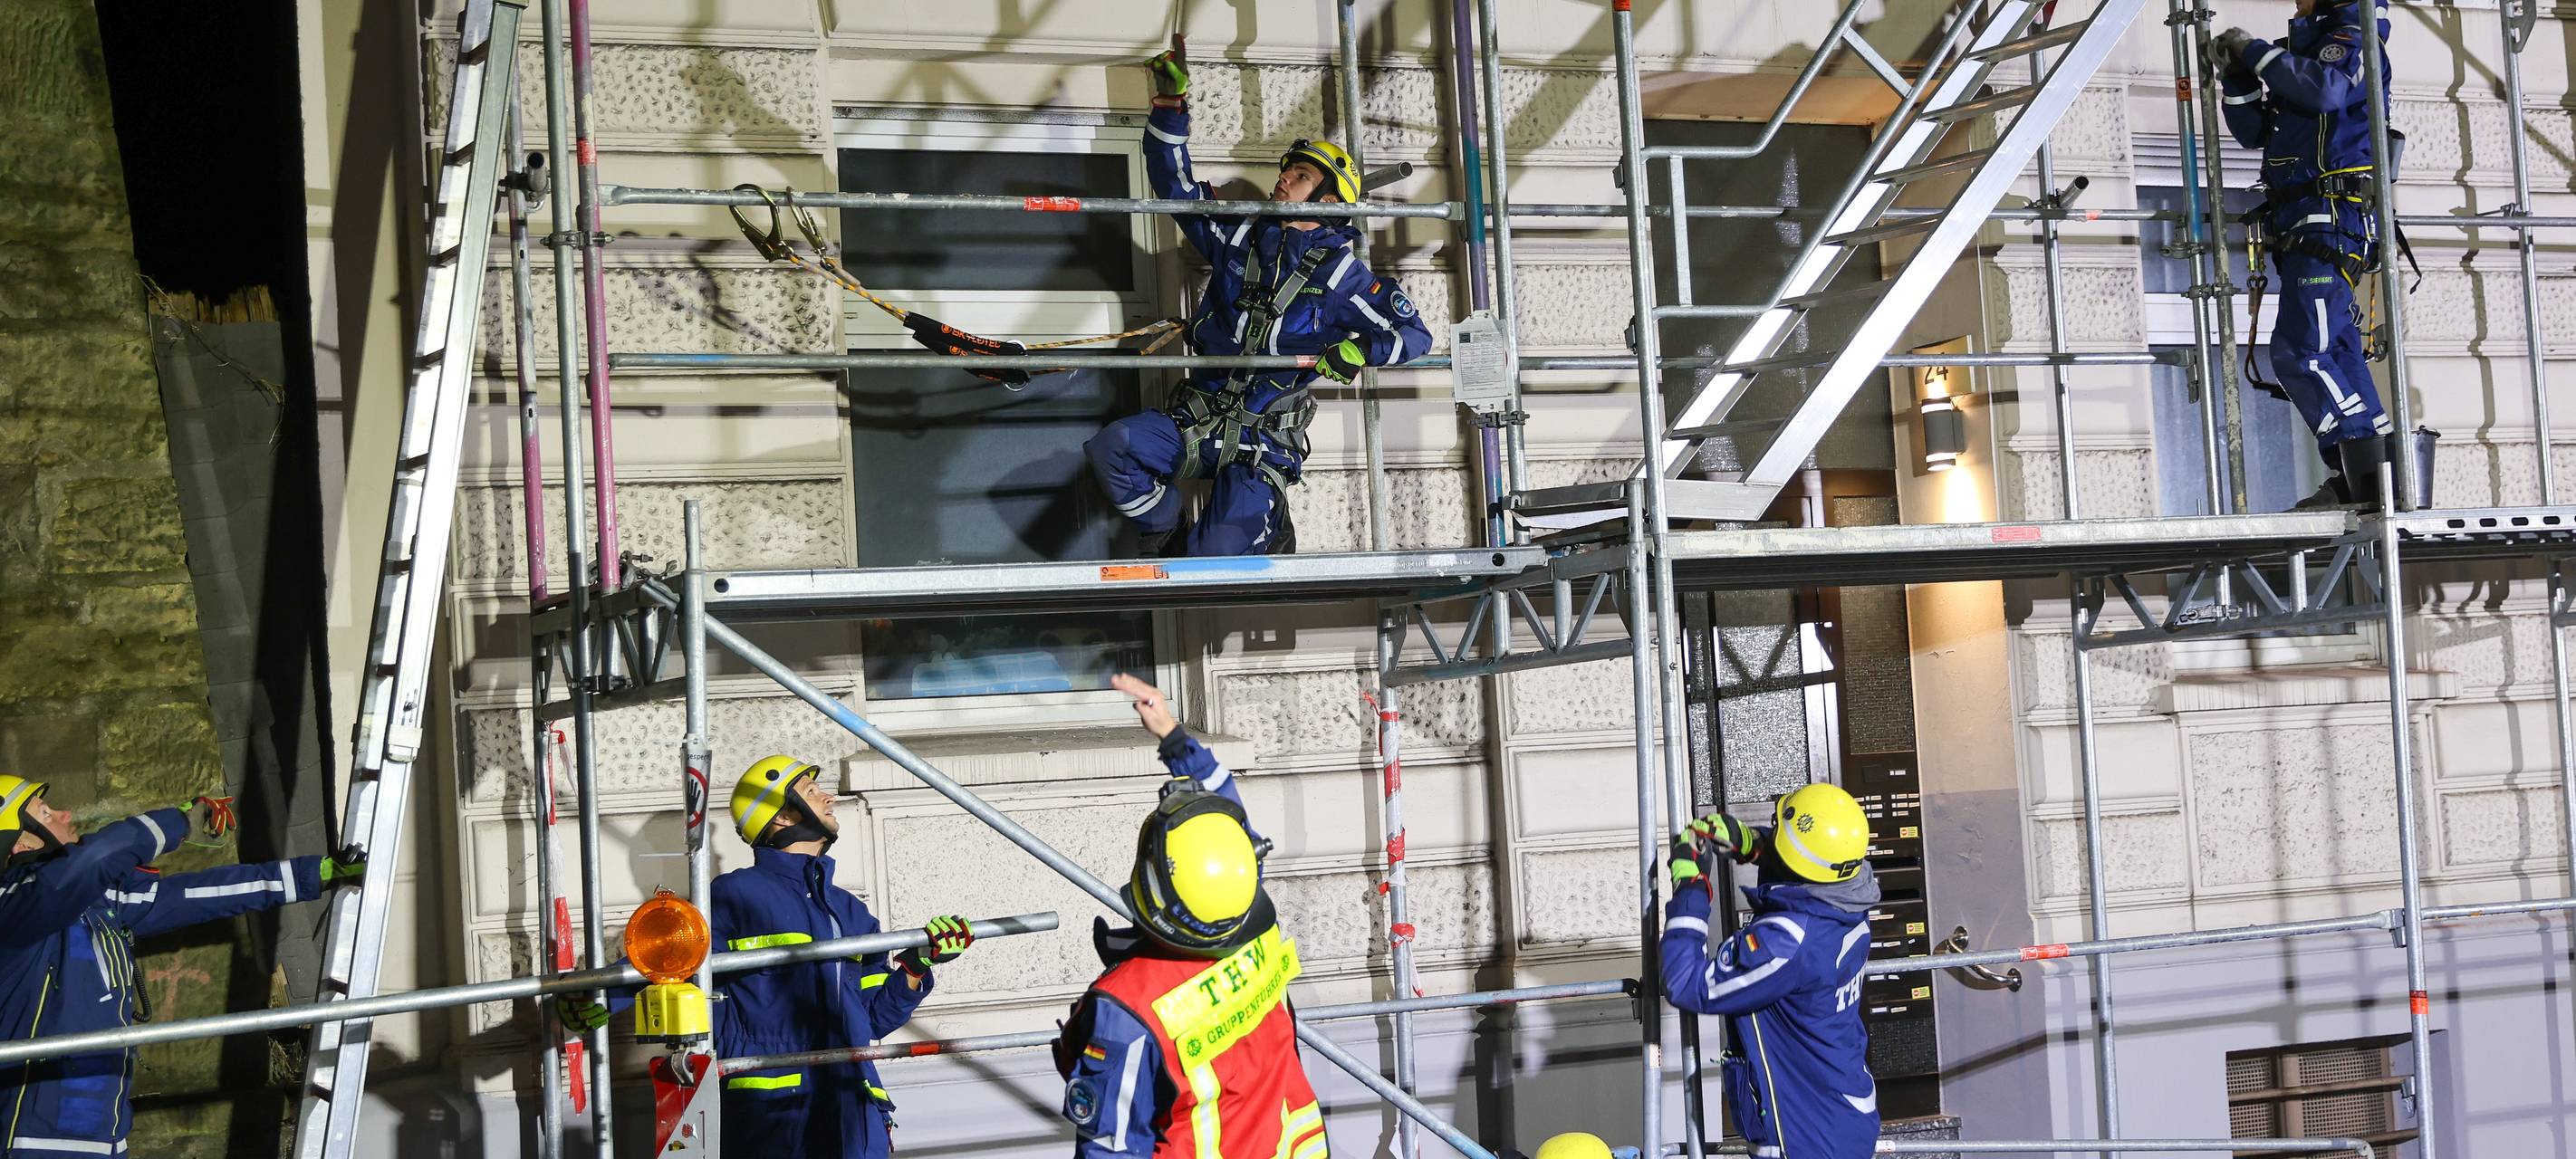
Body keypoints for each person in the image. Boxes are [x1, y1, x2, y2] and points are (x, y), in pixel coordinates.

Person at [1084, 50, 1434, 558]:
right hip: (1197, 423)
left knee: (1212, 559)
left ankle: (1270, 525)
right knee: (1113, 447)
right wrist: (1168, 104)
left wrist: (1359, 351)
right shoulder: (1239, 237)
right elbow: (1174, 188)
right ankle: (1164, 525)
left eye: (1301, 177)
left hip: (1262, 444)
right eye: (1286, 171)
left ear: (1330, 204)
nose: (1284, 179)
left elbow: (1416, 336)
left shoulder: (1343, 276)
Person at [561, 756, 975, 1159]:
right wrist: (598, 995)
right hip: (774, 1113)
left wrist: (919, 963)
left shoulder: (851, 912)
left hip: (851, 1108)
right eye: (813, 792)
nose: (829, 798)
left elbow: (873, 1020)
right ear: (782, 817)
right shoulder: (736, 894)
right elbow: (670, 959)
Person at [0, 775, 362, 1157]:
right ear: (22, 840)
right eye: (46, 812)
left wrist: (315, 875)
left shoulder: (100, 905)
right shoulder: (12, 910)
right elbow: (96, 859)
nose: (65, 813)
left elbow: (199, 895)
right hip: (32, 1142)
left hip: (104, 1138)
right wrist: (179, 822)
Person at [1052, 674, 1327, 1159]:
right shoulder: (1256, 927)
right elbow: (1229, 833)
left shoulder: (1124, 1007)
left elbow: (1111, 1149)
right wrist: (1175, 739)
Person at [2210, 0, 2411, 507]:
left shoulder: (2354, 39)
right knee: (2338, 351)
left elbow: (2325, 92)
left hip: (2330, 215)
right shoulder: (2294, 57)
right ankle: (2374, 477)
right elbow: (2255, 133)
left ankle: (2358, 467)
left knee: (2301, 352)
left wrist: (2252, 50)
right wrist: (2236, 78)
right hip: (2302, 220)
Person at [1660, 784, 1880, 1159]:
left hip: (1805, 1136)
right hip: (1837, 1115)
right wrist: (1754, 846)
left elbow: (1686, 983)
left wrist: (1691, 888)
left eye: (1776, 828)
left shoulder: (1788, 943)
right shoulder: (1848, 893)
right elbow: (1804, 878)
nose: (1772, 828)